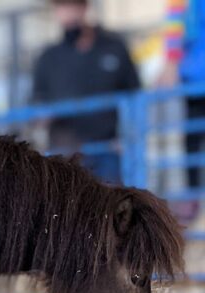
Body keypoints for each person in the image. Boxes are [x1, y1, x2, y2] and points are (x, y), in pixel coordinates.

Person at [32, 0, 141, 183]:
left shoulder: (114, 47)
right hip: (66, 152)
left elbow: (135, 94)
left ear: (84, 7)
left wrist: (127, 136)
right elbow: (36, 103)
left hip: (108, 148)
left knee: (112, 203)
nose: (67, 13)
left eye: (72, 6)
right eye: (61, 7)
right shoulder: (48, 58)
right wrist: (42, 116)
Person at [161, 0, 205, 221]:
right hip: (194, 80)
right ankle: (194, 198)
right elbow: (175, 22)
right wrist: (170, 63)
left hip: (194, 75)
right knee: (192, 142)